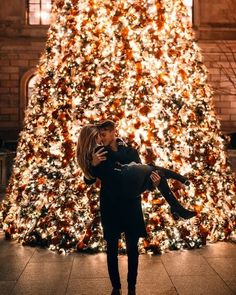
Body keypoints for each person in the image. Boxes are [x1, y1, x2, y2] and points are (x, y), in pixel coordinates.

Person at [77, 122, 196, 295]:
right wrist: (93, 165)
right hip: (110, 205)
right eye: (99, 136)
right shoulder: (100, 152)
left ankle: (132, 287)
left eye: (103, 134)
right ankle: (116, 288)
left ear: (113, 133)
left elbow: (143, 180)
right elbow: (88, 180)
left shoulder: (130, 152)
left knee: (133, 248)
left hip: (131, 203)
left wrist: (153, 184)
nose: (101, 138)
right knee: (112, 248)